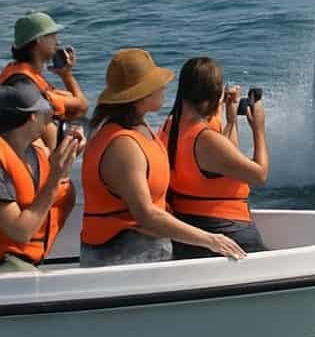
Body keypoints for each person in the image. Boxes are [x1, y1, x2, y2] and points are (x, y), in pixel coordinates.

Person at [80, 48, 246, 267]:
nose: (164, 86)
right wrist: (211, 239)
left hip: (147, 252)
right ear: (139, 95)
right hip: (123, 260)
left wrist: (226, 115)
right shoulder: (123, 145)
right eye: (155, 83)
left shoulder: (139, 128)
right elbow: (146, 214)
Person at [0, 79, 79, 274]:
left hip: (29, 259)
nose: (49, 118)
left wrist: (66, 161)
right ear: (31, 118)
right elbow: (19, 232)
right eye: (43, 113)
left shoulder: (34, 150)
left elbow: (52, 194)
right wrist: (55, 177)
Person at [162, 57, 269, 259]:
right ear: (214, 94)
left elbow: (225, 163)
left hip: (187, 232)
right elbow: (260, 175)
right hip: (226, 230)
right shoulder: (206, 140)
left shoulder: (170, 126)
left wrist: (230, 120)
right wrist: (259, 129)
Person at [0, 12, 88, 148]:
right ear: (38, 39)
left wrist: (65, 75)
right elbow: (82, 106)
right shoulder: (26, 83)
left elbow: (76, 106)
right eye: (52, 36)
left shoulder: (16, 71)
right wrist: (66, 75)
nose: (58, 42)